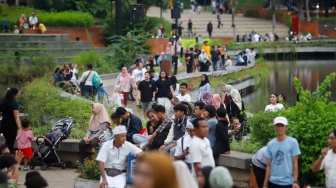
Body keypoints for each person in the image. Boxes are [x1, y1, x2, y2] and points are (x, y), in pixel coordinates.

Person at [263, 116, 301, 188]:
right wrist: (265, 183)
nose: (279, 128)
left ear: (286, 127)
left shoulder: (293, 142)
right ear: (274, 127)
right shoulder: (270, 144)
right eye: (277, 125)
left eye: (282, 125)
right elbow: (269, 165)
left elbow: (295, 163)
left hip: (288, 182)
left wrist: (295, 181)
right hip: (273, 181)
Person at [190, 117, 215, 185]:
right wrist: (202, 182)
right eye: (203, 127)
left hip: (209, 177)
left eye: (207, 126)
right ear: (196, 129)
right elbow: (197, 166)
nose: (206, 129)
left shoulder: (206, 140)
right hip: (202, 180)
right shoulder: (195, 143)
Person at [0, 88, 21, 154]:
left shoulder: (2, 101)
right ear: (14, 95)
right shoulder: (14, 103)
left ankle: (3, 154)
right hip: (11, 125)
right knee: (10, 142)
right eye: (17, 95)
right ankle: (8, 158)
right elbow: (16, 116)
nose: (17, 96)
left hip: (3, 124)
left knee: (7, 141)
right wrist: (19, 127)